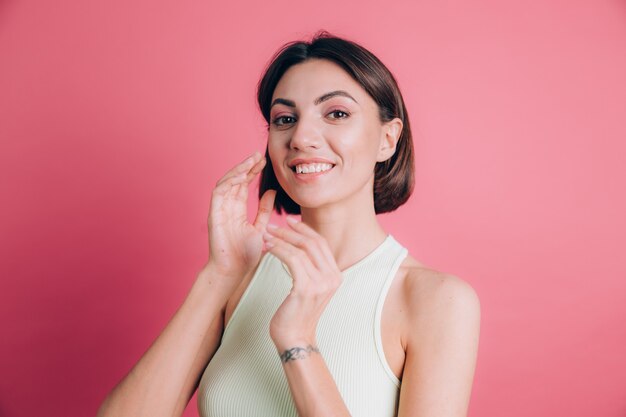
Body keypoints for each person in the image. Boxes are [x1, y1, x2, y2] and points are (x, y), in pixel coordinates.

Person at [97, 30, 480, 417]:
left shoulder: (436, 301)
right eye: (285, 119)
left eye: (336, 113)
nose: (301, 136)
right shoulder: (239, 282)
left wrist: (297, 342)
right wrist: (219, 274)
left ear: (388, 138)